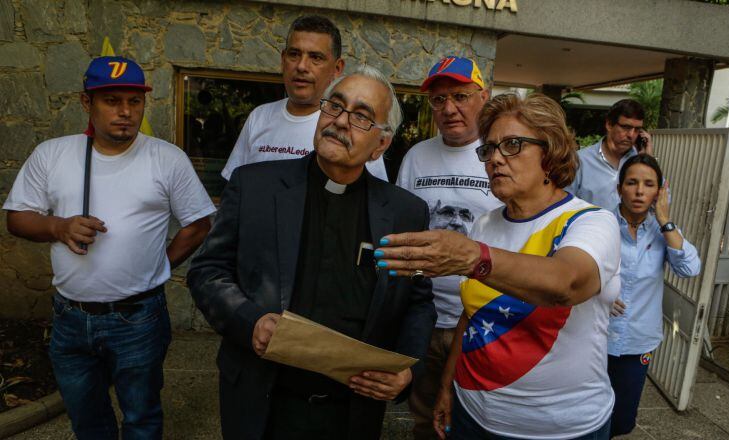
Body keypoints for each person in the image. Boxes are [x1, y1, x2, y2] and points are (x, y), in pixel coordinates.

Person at [187, 65, 436, 440]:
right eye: (334, 106)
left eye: (361, 116)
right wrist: (249, 320)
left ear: (381, 145)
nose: (340, 121)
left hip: (351, 409)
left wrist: (408, 373)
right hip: (264, 400)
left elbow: (418, 303)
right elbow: (207, 271)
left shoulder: (405, 212)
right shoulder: (255, 186)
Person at [375, 93, 621, 439]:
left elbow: (566, 284)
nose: (494, 159)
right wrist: (448, 386)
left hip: (559, 427)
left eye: (513, 145)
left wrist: (473, 257)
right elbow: (473, 314)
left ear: (550, 153)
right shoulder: (486, 225)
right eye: (488, 149)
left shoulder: (591, 222)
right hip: (474, 413)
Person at [3, 56, 215, 439]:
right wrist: (58, 225)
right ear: (87, 103)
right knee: (87, 419)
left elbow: (199, 224)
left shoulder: (167, 159)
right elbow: (16, 217)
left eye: (134, 101)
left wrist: (160, 265)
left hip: (138, 317)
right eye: (111, 100)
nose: (125, 112)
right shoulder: (52, 154)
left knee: (141, 417)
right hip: (70, 316)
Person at [395, 55, 501, 439]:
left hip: (481, 318)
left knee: (476, 416)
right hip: (425, 314)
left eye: (460, 96)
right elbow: (402, 230)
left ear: (483, 97)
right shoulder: (416, 157)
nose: (449, 108)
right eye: (438, 100)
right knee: (425, 416)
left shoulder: (500, 156)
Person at [221, 14, 388, 182]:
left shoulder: (353, 129)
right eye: (294, 54)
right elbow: (235, 184)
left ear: (337, 68)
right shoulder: (259, 117)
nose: (301, 66)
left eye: (315, 57)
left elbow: (372, 197)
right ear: (283, 59)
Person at [607, 154, 701, 437]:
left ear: (659, 192)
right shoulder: (599, 224)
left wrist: (664, 219)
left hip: (638, 341)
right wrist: (599, 293)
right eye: (632, 182)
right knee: (585, 414)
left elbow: (690, 268)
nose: (639, 191)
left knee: (622, 420)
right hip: (595, 336)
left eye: (648, 185)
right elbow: (573, 272)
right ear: (619, 187)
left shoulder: (663, 232)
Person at [568, 99, 653, 210]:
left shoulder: (641, 161)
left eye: (637, 129)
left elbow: (662, 200)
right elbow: (564, 202)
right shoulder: (580, 161)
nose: (631, 135)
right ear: (609, 124)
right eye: (626, 127)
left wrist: (649, 162)